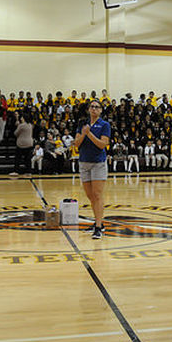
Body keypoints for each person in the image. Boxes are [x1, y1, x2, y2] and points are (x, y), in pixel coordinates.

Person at [74, 99, 110, 239]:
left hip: (98, 163)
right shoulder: (82, 124)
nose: (94, 109)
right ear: (89, 109)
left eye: (97, 107)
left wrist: (89, 134)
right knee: (90, 196)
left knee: (97, 195)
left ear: (100, 110)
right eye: (92, 107)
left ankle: (98, 227)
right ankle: (98, 222)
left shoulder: (104, 125)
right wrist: (84, 133)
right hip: (84, 163)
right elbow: (77, 144)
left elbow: (102, 144)